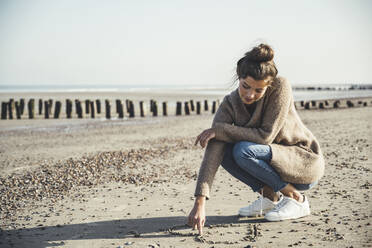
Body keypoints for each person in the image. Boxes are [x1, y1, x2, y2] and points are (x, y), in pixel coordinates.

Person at [187, 44, 325, 235]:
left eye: (258, 90)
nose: (250, 95)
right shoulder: (229, 104)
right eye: (246, 86)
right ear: (239, 78)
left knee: (242, 150)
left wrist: (221, 130)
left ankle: (296, 199)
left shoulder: (280, 86)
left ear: (268, 85)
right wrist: (200, 202)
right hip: (274, 164)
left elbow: (265, 135)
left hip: (302, 162)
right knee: (224, 150)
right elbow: (213, 150)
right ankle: (269, 197)